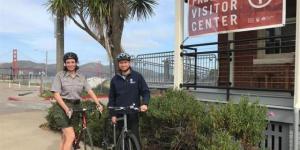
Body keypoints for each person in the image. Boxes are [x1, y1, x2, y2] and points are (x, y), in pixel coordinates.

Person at [51, 52, 103, 150]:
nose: (70, 64)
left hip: (76, 107)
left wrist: (98, 103)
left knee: (65, 136)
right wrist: (66, 109)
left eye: (72, 62)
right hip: (62, 107)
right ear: (65, 64)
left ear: (76, 63)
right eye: (68, 62)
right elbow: (56, 94)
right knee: (71, 136)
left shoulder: (81, 77)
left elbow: (89, 91)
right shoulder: (60, 75)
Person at [108, 52, 150, 147]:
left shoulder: (137, 76)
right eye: (121, 62)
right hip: (119, 113)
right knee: (121, 140)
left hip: (133, 112)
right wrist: (113, 114)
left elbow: (145, 92)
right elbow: (111, 98)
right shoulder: (114, 80)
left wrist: (145, 104)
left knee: (135, 138)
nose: (123, 64)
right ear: (118, 64)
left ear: (129, 63)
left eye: (125, 62)